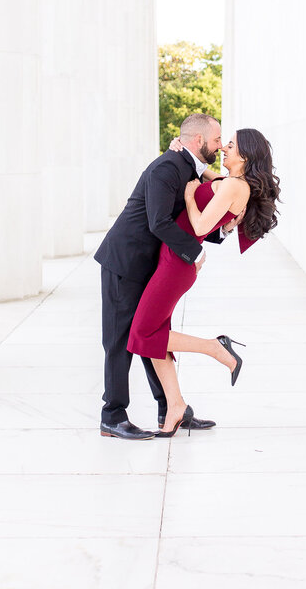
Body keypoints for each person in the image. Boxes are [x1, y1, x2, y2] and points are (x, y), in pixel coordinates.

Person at [128, 128, 282, 436]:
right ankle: (175, 406)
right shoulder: (231, 183)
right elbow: (208, 177)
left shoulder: (235, 187)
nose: (224, 147)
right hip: (172, 259)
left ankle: (215, 348)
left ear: (246, 155)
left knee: (142, 334)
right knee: (156, 335)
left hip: (176, 263)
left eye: (231, 144)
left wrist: (187, 196)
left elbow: (199, 224)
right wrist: (182, 151)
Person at [94, 113, 226, 440]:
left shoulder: (185, 166)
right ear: (198, 142)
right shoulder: (168, 169)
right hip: (124, 263)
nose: (220, 146)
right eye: (216, 140)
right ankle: (112, 415)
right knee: (120, 342)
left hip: (148, 265)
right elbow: (159, 222)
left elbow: (186, 217)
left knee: (151, 337)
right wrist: (194, 254)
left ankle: (170, 407)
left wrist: (219, 232)